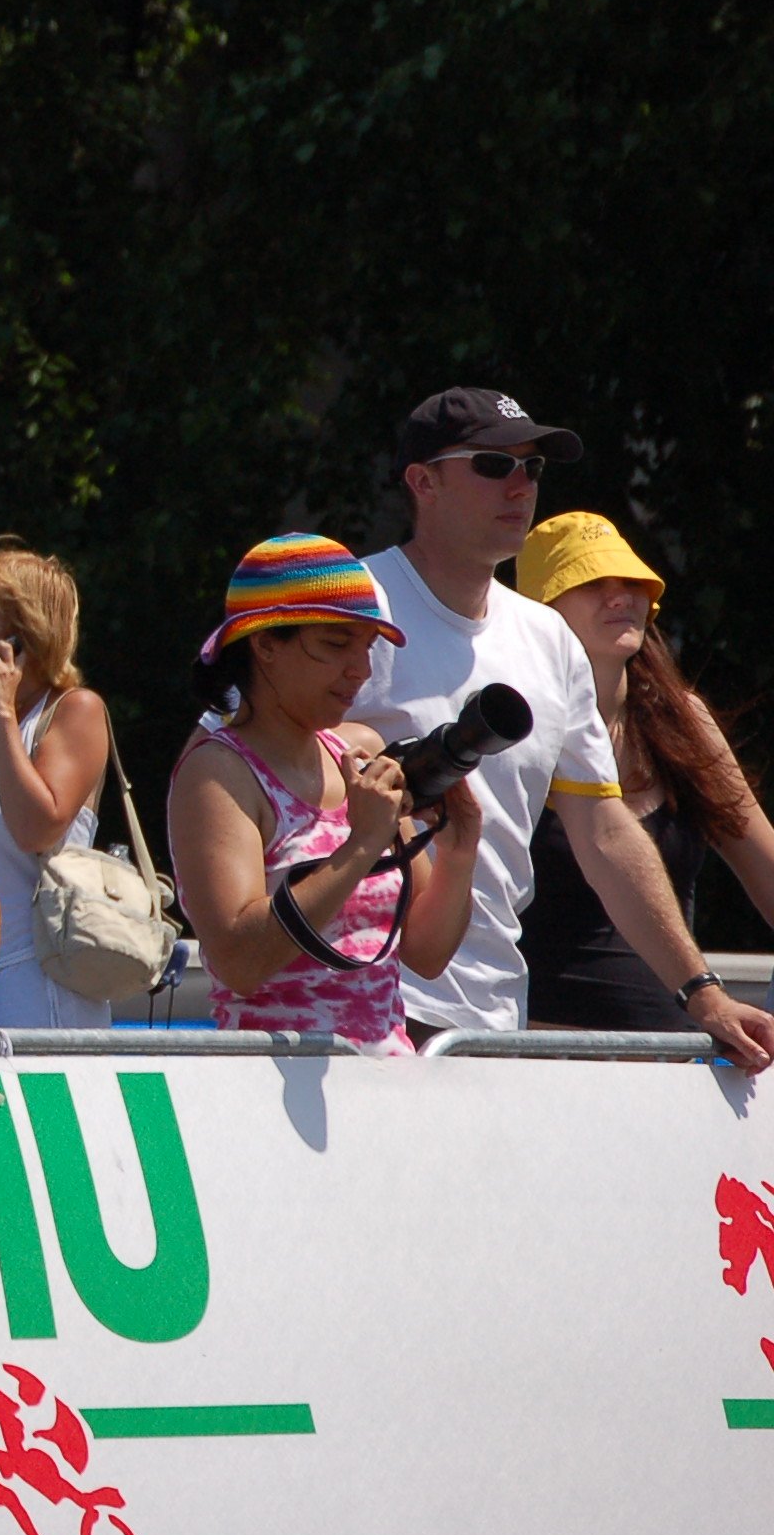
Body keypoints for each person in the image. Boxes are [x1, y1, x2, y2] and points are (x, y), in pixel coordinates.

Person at [349, 387, 774, 1067]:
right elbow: (237, 762)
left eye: (533, 469)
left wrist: (702, 993)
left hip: (490, 1018)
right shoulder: (349, 605)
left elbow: (605, 834)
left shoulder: (547, 638)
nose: (520, 486)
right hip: (356, 1009)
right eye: (493, 464)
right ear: (422, 481)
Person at [167, 536, 480, 1052]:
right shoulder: (217, 773)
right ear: (265, 644)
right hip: (270, 1092)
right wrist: (361, 847)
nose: (361, 668)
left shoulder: (359, 754)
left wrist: (460, 853)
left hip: (385, 1089)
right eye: (337, 644)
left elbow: (425, 953)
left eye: (368, 646)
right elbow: (240, 962)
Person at [515, 513, 774, 1029]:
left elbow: (766, 868)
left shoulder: (683, 719)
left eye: (632, 581)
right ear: (536, 613)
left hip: (679, 1058)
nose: (620, 597)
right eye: (591, 582)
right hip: (533, 1055)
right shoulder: (509, 728)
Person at [0, 538, 112, 1029]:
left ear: (25, 637)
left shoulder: (75, 712)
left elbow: (37, 828)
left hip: (42, 987)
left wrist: (5, 711)